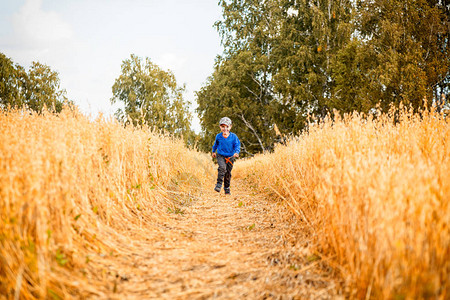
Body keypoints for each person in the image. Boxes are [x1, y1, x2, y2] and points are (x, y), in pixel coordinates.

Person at [212, 117, 241, 195]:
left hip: (230, 157)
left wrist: (236, 152)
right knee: (222, 168)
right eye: (223, 126)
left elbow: (237, 145)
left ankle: (227, 188)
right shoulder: (218, 136)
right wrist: (213, 152)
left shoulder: (234, 137)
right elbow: (215, 145)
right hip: (220, 155)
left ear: (230, 127)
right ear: (220, 127)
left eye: (227, 126)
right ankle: (218, 184)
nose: (225, 129)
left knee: (228, 172)